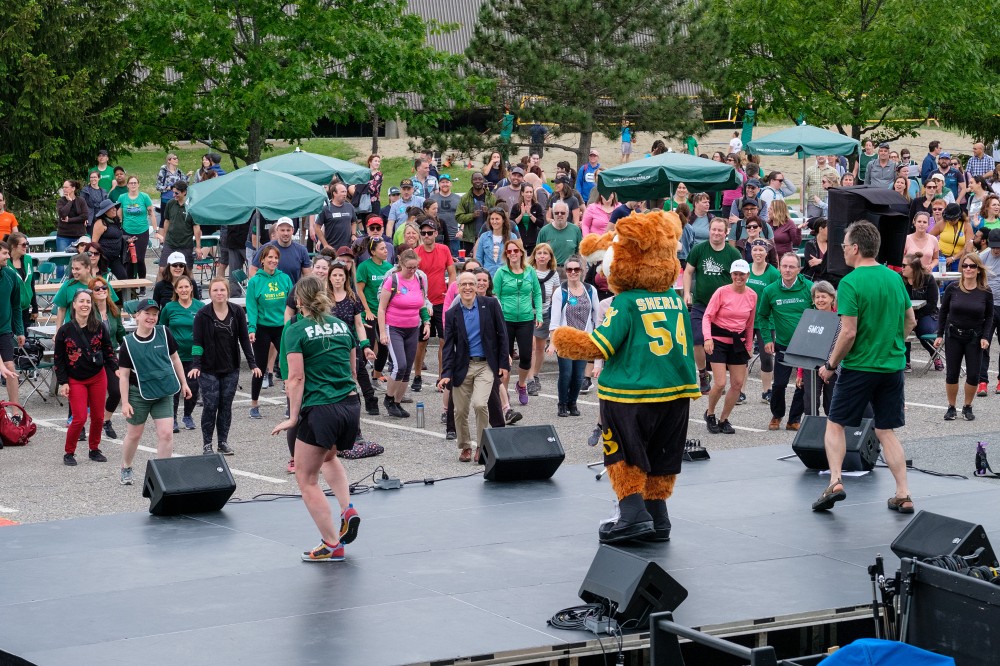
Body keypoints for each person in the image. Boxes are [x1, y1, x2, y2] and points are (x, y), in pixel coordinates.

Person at [814, 221, 915, 514]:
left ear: (855, 248)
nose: (843, 250)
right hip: (891, 366)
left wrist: (831, 364)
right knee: (886, 430)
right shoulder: (895, 278)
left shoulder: (850, 282)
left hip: (859, 367)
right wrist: (893, 341)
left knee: (835, 424)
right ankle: (903, 493)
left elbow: (848, 332)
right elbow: (910, 320)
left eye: (845, 245)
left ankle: (835, 481)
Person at [270, 277, 363, 562]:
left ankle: (332, 543)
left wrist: (293, 417)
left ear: (298, 301)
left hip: (321, 408)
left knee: (305, 478)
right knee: (329, 456)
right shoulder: (343, 326)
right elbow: (353, 369)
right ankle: (347, 509)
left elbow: (296, 377)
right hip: (349, 403)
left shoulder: (295, 329)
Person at [117, 299, 193, 486]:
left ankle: (162, 474)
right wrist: (125, 402)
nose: (151, 317)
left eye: (154, 314)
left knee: (166, 433)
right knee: (134, 434)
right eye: (147, 313)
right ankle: (126, 466)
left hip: (164, 390)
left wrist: (184, 383)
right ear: (137, 315)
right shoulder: (128, 343)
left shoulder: (164, 333)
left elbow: (175, 359)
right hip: (139, 393)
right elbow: (124, 376)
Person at [438, 271, 510, 462]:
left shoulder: (491, 305)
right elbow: (448, 346)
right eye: (464, 284)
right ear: (458, 288)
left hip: (486, 365)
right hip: (462, 366)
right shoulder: (452, 313)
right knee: (460, 411)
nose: (468, 287)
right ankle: (465, 447)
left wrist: (504, 363)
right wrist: (446, 372)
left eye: (472, 283)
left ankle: (481, 446)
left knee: (480, 404)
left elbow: (502, 334)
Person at [191, 278, 259, 455]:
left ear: (228, 292)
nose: (219, 293)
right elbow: (197, 342)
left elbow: (244, 339)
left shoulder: (236, 312)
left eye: (222, 290)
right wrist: (196, 364)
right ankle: (207, 444)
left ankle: (223, 441)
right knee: (210, 405)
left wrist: (252, 363)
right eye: (215, 290)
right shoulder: (203, 314)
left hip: (231, 367)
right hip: (208, 369)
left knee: (225, 405)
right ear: (210, 293)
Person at [54, 289, 116, 466]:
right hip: (75, 379)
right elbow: (58, 359)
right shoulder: (65, 331)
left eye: (88, 302)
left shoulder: (99, 327)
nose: (85, 305)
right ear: (74, 305)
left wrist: (116, 369)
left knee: (98, 417)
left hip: (97, 376)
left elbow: (109, 351)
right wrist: (63, 382)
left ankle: (94, 449)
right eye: (81, 301)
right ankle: (69, 452)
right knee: (80, 418)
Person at [683, 218, 742, 394]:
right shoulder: (699, 249)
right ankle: (703, 374)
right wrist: (687, 293)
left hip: (723, 308)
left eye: (719, 231)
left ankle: (719, 382)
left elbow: (739, 279)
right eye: (713, 230)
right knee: (698, 340)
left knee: (718, 343)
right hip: (701, 304)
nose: (716, 233)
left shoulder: (733, 254)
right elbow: (688, 271)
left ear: (726, 233)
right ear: (709, 231)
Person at [757, 252, 814, 431]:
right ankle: (777, 414)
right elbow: (762, 316)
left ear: (798, 269)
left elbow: (820, 311)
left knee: (803, 384)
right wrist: (767, 338)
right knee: (779, 384)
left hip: (805, 346)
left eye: (792, 267)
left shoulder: (809, 287)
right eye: (784, 266)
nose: (787, 270)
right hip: (783, 345)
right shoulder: (770, 290)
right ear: (779, 267)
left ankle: (794, 419)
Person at [935, 253, 994, 421]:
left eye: (972, 266)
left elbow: (989, 316)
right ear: (961, 268)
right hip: (953, 335)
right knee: (952, 374)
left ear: (978, 269)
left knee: (974, 374)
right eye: (965, 266)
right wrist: (939, 334)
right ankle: (951, 406)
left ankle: (967, 406)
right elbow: (943, 312)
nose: (968, 269)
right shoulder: (952, 288)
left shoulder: (985, 291)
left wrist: (985, 337)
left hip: (974, 338)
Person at [702, 259, 756, 434]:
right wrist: (707, 338)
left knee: (738, 383)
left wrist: (748, 344)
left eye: (742, 274)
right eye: (735, 274)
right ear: (731, 275)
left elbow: (750, 323)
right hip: (718, 340)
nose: (738, 277)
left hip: (737, 342)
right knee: (720, 383)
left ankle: (724, 419)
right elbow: (707, 316)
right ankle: (710, 414)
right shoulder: (721, 292)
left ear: (748, 275)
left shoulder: (752, 295)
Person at [377, 249, 430, 418]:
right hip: (394, 327)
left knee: (407, 368)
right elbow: (381, 308)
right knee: (399, 365)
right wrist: (383, 332)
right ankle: (389, 398)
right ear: (401, 265)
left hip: (413, 327)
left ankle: (397, 403)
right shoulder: (393, 280)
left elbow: (422, 303)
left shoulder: (420, 279)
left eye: (415, 267)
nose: (413, 270)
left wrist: (426, 322)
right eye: (409, 267)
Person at [547, 255, 599, 417]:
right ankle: (562, 404)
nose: (573, 272)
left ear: (582, 271)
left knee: (578, 376)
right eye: (570, 269)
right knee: (566, 374)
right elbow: (555, 320)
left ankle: (572, 403)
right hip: (565, 341)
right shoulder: (560, 292)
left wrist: (596, 340)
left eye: (576, 269)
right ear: (566, 271)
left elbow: (596, 316)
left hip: (583, 340)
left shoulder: (590, 290)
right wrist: (553, 342)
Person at [494, 238, 542, 408]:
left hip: (526, 319)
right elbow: (495, 295)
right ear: (506, 254)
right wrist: (497, 317)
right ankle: (504, 393)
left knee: (526, 357)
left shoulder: (530, 272)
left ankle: (521, 384)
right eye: (509, 251)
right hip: (505, 319)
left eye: (515, 251)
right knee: (505, 358)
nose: (513, 254)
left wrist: (539, 315)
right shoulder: (501, 272)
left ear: (521, 252)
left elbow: (536, 293)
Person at [410, 220, 455, 395]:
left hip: (442, 302)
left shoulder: (444, 250)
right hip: (423, 303)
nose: (427, 236)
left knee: (444, 341)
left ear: (436, 233)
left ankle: (441, 377)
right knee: (421, 343)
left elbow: (451, 273)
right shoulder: (416, 252)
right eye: (424, 233)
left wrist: (450, 293)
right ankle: (418, 375)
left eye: (430, 232)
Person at [159, 275, 203, 433]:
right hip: (174, 355)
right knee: (175, 388)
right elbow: (161, 330)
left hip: (194, 355)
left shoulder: (200, 306)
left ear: (191, 288)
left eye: (187, 286)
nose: (184, 290)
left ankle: (188, 415)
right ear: (176, 290)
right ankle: (173, 418)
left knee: (193, 387)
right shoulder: (169, 308)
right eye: (180, 287)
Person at [356, 236, 394, 386]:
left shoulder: (388, 267)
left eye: (386, 248)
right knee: (369, 346)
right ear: (372, 251)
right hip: (370, 312)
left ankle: (376, 376)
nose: (386, 251)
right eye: (382, 248)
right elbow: (359, 291)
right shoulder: (364, 267)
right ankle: (358, 376)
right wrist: (367, 310)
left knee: (385, 347)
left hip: (384, 313)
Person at [747, 240, 780, 403]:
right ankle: (739, 390)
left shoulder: (773, 273)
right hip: (746, 320)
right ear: (751, 252)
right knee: (743, 356)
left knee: (767, 356)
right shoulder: (745, 269)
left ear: (766, 253)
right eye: (755, 249)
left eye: (761, 250)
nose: (758, 253)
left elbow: (778, 295)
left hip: (766, 321)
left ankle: (767, 390)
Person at [526, 244, 560, 396]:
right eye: (539, 253)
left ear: (550, 257)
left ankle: (536, 374)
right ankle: (529, 379)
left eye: (545, 253)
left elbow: (555, 296)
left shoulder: (554, 274)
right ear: (534, 255)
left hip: (545, 313)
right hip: (528, 313)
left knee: (540, 347)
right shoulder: (528, 271)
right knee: (531, 346)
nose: (541, 256)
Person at [901, 253, 940, 373]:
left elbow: (932, 303)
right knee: (902, 327)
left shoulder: (928, 279)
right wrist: (911, 317)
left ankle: (935, 355)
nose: (901, 268)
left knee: (923, 329)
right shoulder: (899, 279)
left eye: (904, 266)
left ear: (913, 267)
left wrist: (916, 317)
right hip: (905, 313)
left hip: (927, 313)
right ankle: (905, 361)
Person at [117, 175, 156, 281]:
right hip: (127, 230)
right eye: (131, 183)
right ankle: (131, 285)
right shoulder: (122, 197)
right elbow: (119, 215)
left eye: (135, 183)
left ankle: (142, 283)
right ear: (127, 185)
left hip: (142, 231)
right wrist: (118, 229)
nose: (133, 185)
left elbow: (151, 214)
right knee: (129, 259)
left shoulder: (144, 197)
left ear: (138, 184)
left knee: (139, 258)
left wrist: (156, 230)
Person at [155, 181, 202, 268]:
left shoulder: (191, 206)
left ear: (184, 192)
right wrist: (165, 238)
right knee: (163, 269)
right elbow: (167, 221)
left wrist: (198, 247)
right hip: (170, 243)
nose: (174, 195)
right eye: (173, 192)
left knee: (187, 271)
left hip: (185, 245)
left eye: (177, 193)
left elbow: (196, 227)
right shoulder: (170, 203)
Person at [251, 217, 312, 283]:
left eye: (288, 230)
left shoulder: (301, 250)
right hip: (270, 292)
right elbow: (253, 270)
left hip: (293, 292)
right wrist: (261, 285)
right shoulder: (266, 248)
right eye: (282, 230)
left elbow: (307, 275)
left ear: (293, 230)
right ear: (277, 230)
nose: (285, 233)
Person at [456, 172, 498, 255]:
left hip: (488, 237)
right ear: (471, 181)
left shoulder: (491, 197)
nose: (477, 181)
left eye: (480, 179)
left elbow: (499, 217)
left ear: (484, 181)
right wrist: (472, 215)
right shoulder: (465, 198)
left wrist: (489, 213)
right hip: (469, 239)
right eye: (475, 179)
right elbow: (458, 217)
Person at [537, 200, 583, 266]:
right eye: (556, 213)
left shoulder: (575, 230)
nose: (559, 215)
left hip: (570, 271)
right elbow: (537, 253)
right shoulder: (544, 231)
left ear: (567, 214)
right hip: (551, 270)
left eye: (562, 213)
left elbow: (580, 253)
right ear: (553, 214)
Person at [314, 182, 358, 252]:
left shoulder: (350, 207)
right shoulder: (326, 209)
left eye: (345, 192)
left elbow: (354, 222)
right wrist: (325, 244)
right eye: (342, 192)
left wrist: (353, 234)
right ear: (334, 193)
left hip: (347, 248)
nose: (345, 194)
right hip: (332, 249)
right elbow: (317, 227)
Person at [91, 199, 128, 279]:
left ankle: (120, 292)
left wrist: (127, 240)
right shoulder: (100, 223)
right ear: (105, 211)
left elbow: (118, 236)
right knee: (101, 279)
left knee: (123, 277)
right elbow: (94, 243)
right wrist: (96, 258)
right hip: (103, 258)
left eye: (114, 207)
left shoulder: (115, 221)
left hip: (115, 258)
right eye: (111, 208)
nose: (114, 209)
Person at [474, 207, 517, 276]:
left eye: (497, 219)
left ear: (503, 220)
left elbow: (516, 258)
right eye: (492, 219)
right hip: (488, 277)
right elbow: (479, 258)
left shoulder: (512, 237)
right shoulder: (484, 237)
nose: (494, 222)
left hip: (507, 276)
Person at [7, 233, 36, 334]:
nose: (26, 247)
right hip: (10, 310)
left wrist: (35, 307)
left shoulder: (28, 260)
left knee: (25, 339)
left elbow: (31, 284)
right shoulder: (5, 263)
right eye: (23, 244)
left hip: (25, 308)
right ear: (13, 246)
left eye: (27, 244)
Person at [932, 203, 973, 271]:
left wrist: (954, 258)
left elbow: (968, 246)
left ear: (959, 217)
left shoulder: (967, 226)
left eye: (953, 219)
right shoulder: (942, 223)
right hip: (941, 257)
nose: (950, 221)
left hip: (958, 258)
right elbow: (930, 237)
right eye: (948, 219)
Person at [509, 184, 546, 254]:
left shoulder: (537, 207)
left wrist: (530, 214)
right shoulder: (516, 207)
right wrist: (522, 214)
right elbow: (511, 224)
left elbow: (541, 223)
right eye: (527, 192)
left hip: (533, 243)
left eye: (531, 192)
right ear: (522, 193)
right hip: (519, 242)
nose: (529, 194)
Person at [430, 174, 461, 256]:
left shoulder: (458, 199)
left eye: (447, 182)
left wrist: (461, 229)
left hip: (454, 236)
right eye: (442, 182)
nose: (445, 184)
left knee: (455, 260)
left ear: (451, 183)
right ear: (439, 184)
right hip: (438, 236)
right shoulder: (432, 199)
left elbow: (463, 215)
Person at [56, 180, 89, 256]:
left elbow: (85, 216)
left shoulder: (81, 200)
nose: (64, 189)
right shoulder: (60, 201)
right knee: (61, 262)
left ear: (73, 188)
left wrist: (69, 220)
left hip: (79, 236)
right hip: (63, 236)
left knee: (81, 260)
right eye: (63, 187)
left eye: (66, 187)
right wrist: (70, 202)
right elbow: (63, 214)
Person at [155, 153, 188, 221]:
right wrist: (169, 188)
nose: (177, 160)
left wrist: (187, 177)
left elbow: (184, 185)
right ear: (169, 160)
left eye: (177, 158)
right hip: (166, 200)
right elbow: (158, 187)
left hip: (178, 200)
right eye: (174, 158)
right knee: (164, 221)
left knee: (177, 220)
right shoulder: (163, 172)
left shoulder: (179, 172)